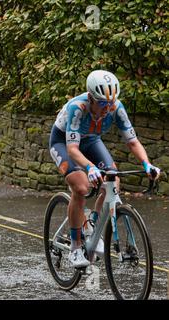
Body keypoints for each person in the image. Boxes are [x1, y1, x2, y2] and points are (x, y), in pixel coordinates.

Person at [49, 70, 161, 268]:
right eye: (102, 104)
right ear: (91, 98)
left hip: (91, 140)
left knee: (113, 180)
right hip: (63, 143)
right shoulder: (78, 107)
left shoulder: (116, 108)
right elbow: (72, 149)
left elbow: (133, 142)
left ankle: (91, 222)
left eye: (110, 103)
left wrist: (147, 163)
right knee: (81, 187)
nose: (107, 109)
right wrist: (90, 168)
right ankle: (75, 247)